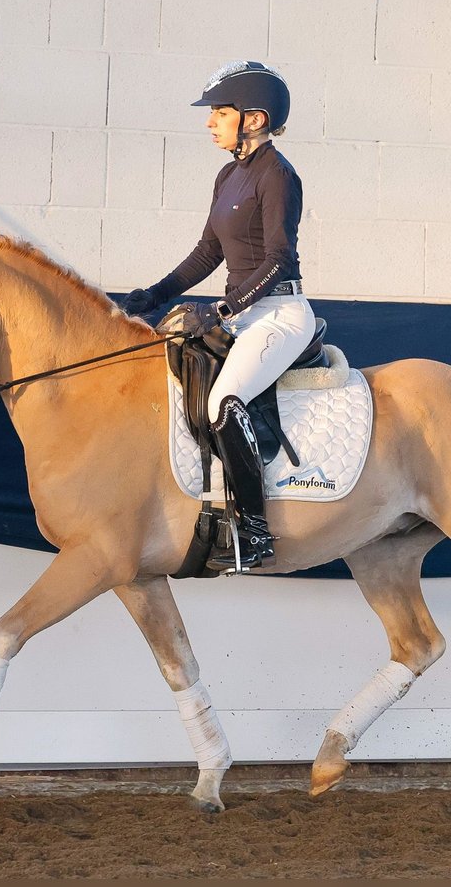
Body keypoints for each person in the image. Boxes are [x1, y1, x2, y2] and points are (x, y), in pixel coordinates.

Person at [120, 61, 316, 571]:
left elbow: (279, 260)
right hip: (242, 315)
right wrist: (154, 294)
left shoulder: (278, 175)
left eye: (220, 113)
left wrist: (224, 308)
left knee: (225, 401)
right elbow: (208, 253)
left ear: (254, 119)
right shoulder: (228, 174)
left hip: (278, 314)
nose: (210, 123)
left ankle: (254, 532)